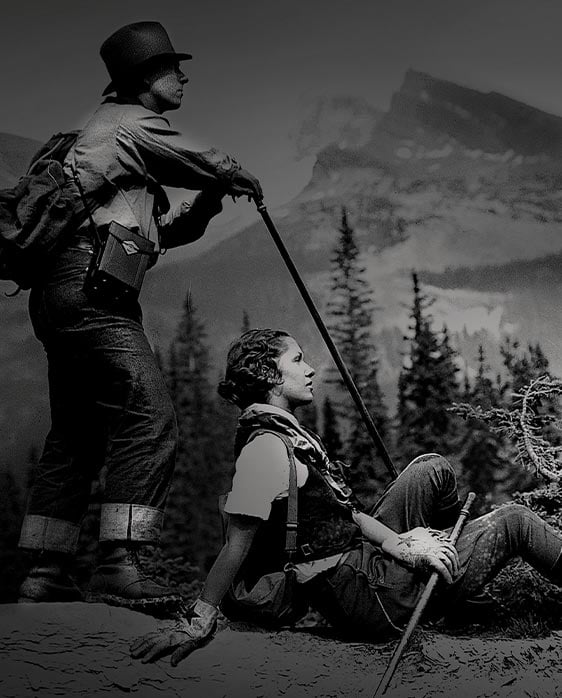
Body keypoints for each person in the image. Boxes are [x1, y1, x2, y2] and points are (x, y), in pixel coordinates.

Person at [131, 328, 562, 666]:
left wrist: (405, 545)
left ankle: (453, 577)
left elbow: (349, 515)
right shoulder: (265, 451)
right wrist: (198, 620)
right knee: (514, 521)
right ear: (269, 376)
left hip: (363, 563)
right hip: (369, 595)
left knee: (431, 468)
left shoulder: (289, 438)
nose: (310, 369)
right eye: (297, 360)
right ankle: (456, 575)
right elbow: (237, 544)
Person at [17, 21, 263, 607]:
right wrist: (233, 175)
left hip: (64, 293)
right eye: (173, 68)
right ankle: (118, 563)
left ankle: (43, 574)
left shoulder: (104, 141)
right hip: (95, 292)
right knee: (149, 417)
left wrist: (207, 200)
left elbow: (158, 236)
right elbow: (203, 158)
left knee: (76, 435)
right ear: (146, 78)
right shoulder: (128, 124)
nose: (183, 77)